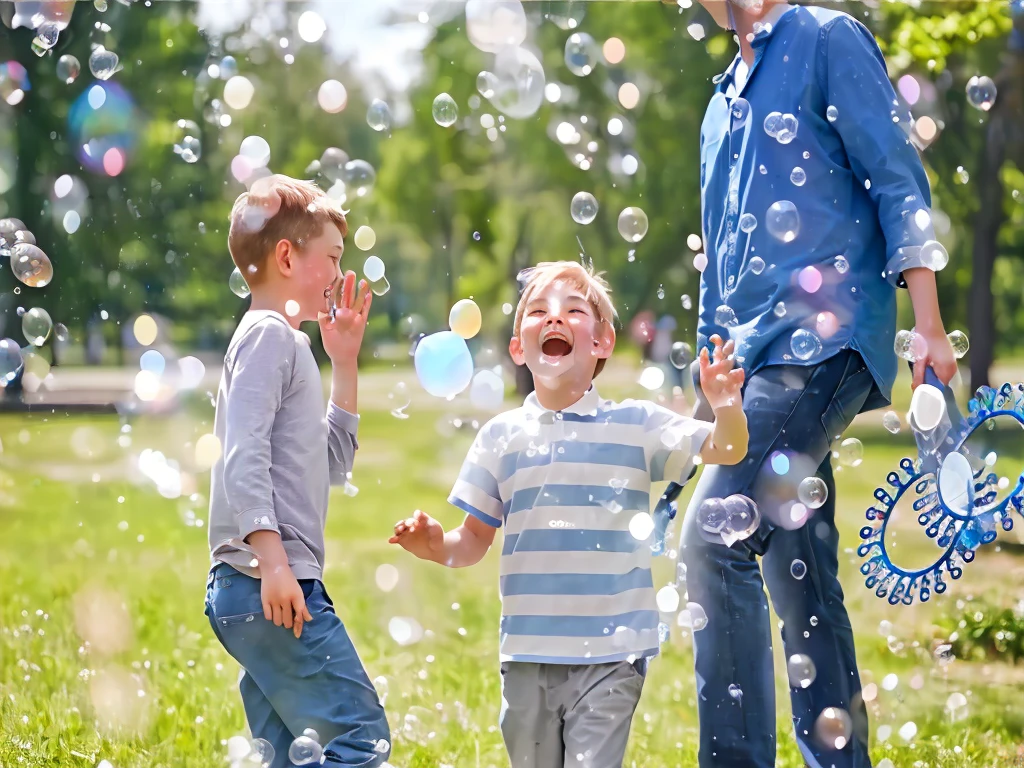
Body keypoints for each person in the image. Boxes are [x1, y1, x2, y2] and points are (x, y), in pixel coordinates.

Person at [670, 2, 958, 766]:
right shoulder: (718, 102)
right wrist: (708, 402)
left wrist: (927, 321)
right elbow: (722, 269)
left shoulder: (827, 39)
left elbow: (898, 179)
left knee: (715, 539)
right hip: (754, 366)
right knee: (799, 579)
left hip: (822, 342)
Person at [389, 261, 749, 768]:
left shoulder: (635, 425)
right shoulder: (500, 435)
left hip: (612, 655)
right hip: (528, 654)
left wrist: (726, 404)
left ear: (603, 341)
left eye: (574, 311)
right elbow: (471, 541)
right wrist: (433, 544)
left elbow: (726, 448)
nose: (555, 319)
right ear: (519, 348)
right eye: (539, 311)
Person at [203, 175, 390, 768]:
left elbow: (331, 463)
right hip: (269, 582)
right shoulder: (266, 336)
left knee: (288, 756)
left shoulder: (291, 345)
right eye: (333, 257)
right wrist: (273, 561)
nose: (339, 274)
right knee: (361, 737)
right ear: (287, 255)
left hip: (261, 585)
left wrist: (345, 363)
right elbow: (243, 453)